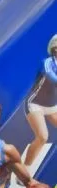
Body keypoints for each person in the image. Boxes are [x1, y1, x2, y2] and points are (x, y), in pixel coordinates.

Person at [23, 34, 57, 168]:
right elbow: (49, 74)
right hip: (35, 104)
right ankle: (25, 170)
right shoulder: (48, 62)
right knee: (43, 136)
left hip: (52, 105)